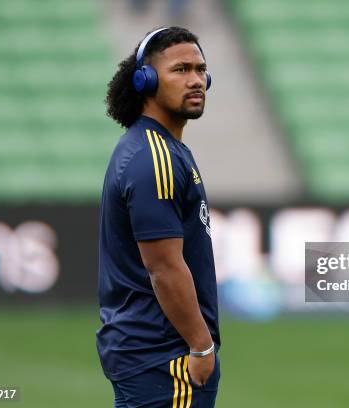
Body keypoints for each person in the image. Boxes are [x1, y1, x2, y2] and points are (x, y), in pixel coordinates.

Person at [97, 26, 220, 407]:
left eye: (200, 70)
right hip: (164, 356)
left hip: (149, 353)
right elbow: (164, 269)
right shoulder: (155, 157)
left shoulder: (163, 147)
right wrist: (201, 347)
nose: (196, 80)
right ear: (145, 80)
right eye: (180, 70)